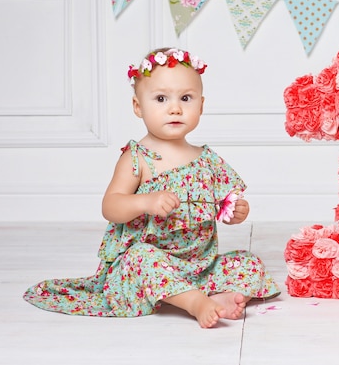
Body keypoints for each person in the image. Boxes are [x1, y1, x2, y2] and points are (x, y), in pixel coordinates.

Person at [23, 47, 280, 328]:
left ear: (201, 105)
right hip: (150, 262)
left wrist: (236, 213)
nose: (175, 108)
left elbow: (225, 205)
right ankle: (194, 302)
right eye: (161, 98)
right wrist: (144, 202)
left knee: (248, 262)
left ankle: (220, 294)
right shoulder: (138, 158)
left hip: (199, 266)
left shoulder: (207, 159)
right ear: (138, 106)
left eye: (186, 98)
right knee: (141, 259)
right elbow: (110, 206)